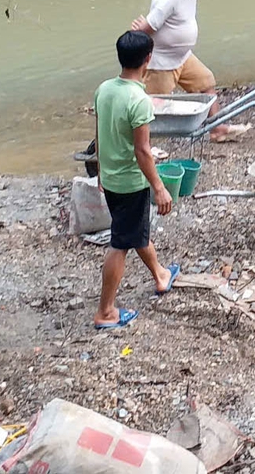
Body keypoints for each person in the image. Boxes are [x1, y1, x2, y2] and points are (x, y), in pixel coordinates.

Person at [92, 30, 179, 330]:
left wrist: (101, 169)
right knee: (120, 242)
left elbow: (99, 134)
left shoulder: (104, 89)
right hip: (131, 181)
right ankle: (105, 311)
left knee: (133, 230)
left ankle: (160, 275)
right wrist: (159, 186)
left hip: (112, 177)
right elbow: (143, 150)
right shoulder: (139, 100)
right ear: (148, 60)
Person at [132, 0, 222, 95]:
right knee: (157, 103)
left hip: (183, 56)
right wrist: (139, 31)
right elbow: (149, 27)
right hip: (162, 62)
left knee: (207, 82)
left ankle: (217, 119)